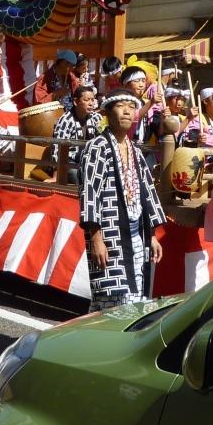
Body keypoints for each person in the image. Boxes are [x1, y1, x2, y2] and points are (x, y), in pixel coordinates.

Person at [79, 91, 166, 312]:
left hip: (137, 233)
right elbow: (90, 193)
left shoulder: (135, 150)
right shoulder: (97, 147)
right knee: (111, 297)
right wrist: (96, 239)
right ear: (108, 113)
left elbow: (147, 192)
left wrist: (152, 236)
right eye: (120, 106)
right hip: (110, 234)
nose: (127, 111)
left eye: (131, 106)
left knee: (134, 296)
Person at [52, 84, 100, 184]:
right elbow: (57, 147)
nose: (90, 103)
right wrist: (56, 174)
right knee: (77, 175)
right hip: (70, 161)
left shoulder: (96, 117)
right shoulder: (66, 120)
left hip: (91, 159)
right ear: (75, 102)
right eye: (86, 100)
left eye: (92, 100)